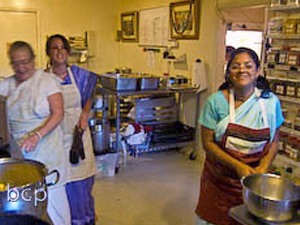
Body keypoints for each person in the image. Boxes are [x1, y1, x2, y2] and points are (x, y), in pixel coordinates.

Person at [195, 47, 284, 225]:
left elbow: (274, 140)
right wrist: (237, 166)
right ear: (228, 73)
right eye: (235, 66)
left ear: (258, 71)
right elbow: (208, 144)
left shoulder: (270, 102)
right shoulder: (216, 102)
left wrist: (263, 168)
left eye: (248, 66)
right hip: (220, 180)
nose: (242, 70)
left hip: (255, 181)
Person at [0, 41, 70, 225]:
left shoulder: (46, 81)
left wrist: (37, 135)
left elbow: (58, 113)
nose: (21, 67)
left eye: (25, 62)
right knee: (30, 207)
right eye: (16, 63)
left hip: (47, 151)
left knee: (55, 207)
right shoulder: (8, 85)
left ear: (33, 60)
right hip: (21, 154)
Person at [45, 34, 98, 225]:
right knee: (61, 188)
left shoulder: (79, 75)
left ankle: (86, 220)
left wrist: (84, 114)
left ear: (68, 51)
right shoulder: (44, 78)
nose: (59, 51)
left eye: (62, 47)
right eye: (54, 48)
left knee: (82, 187)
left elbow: (90, 92)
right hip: (56, 140)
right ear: (48, 53)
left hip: (79, 138)